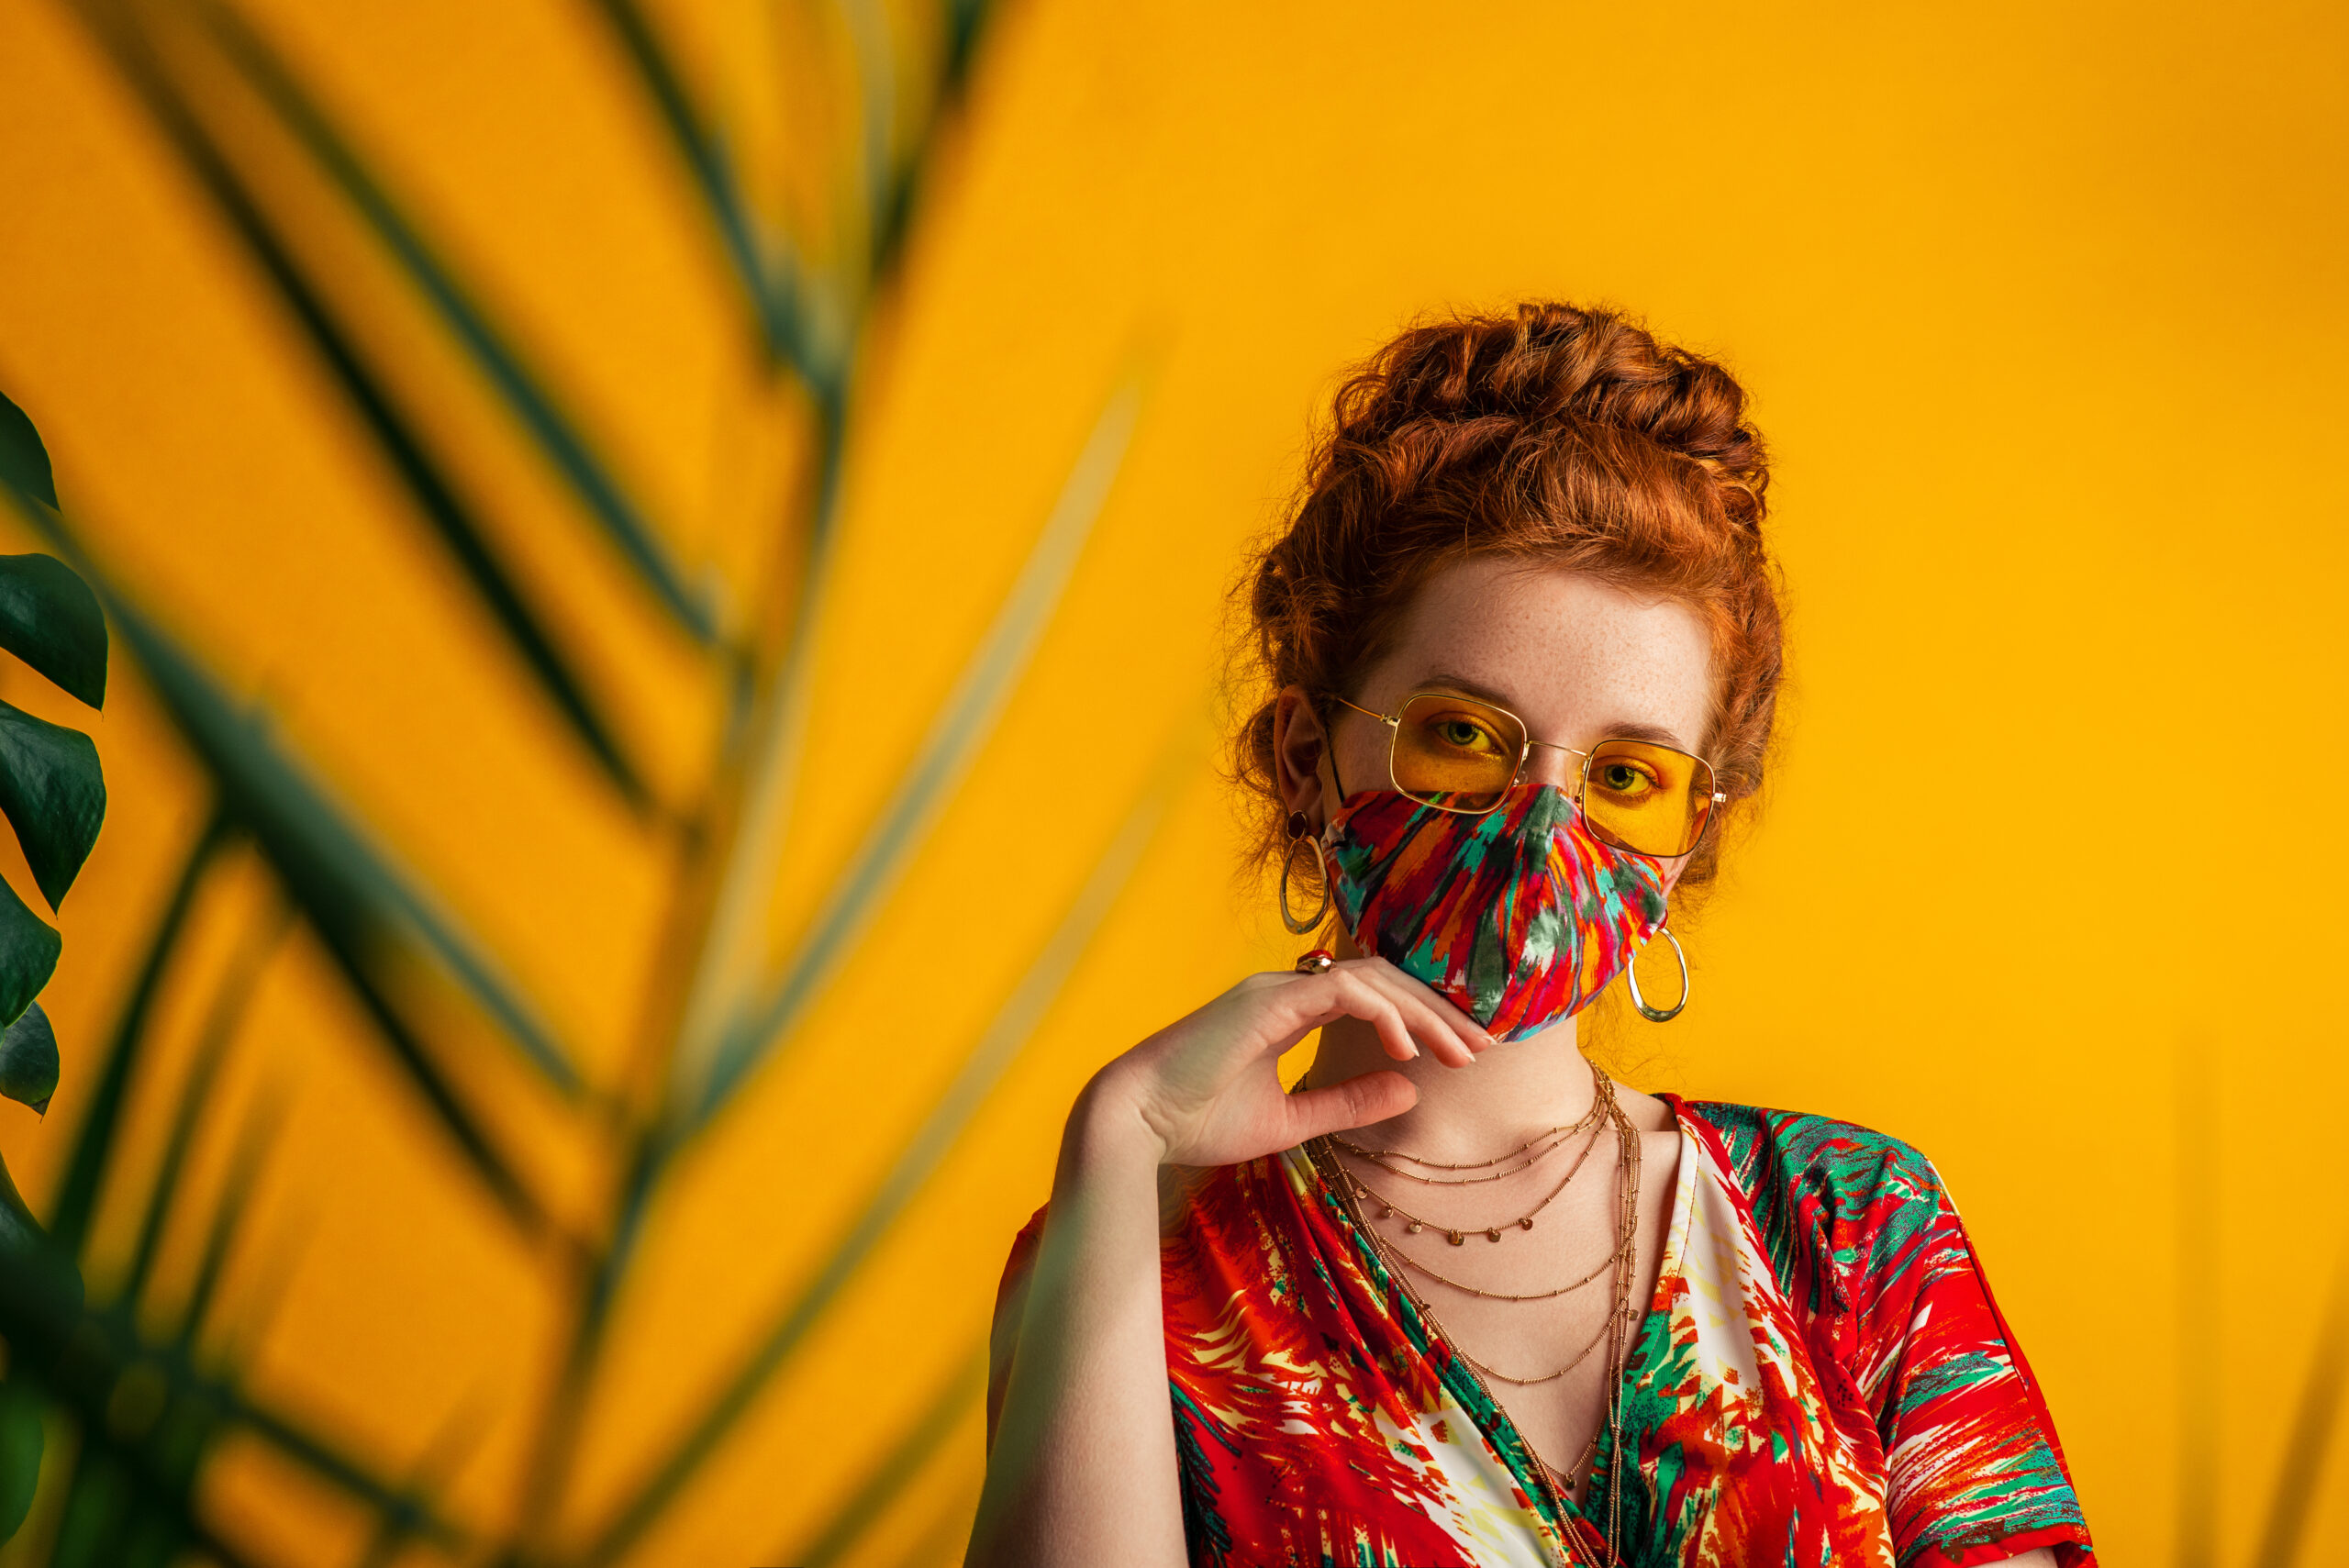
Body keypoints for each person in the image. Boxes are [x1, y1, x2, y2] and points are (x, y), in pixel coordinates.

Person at [966, 303, 2094, 1568]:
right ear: (1305, 759)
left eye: (1624, 776)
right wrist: (1122, 1143)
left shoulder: (1848, 1226)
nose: (1541, 824)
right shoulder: (1135, 1258)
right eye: (1464, 736)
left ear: (1687, 845)